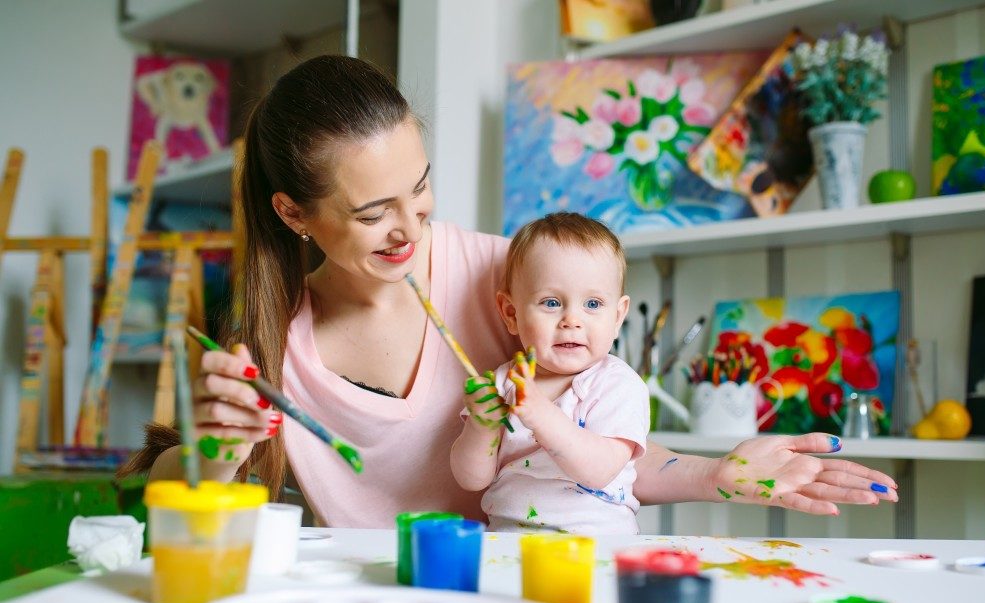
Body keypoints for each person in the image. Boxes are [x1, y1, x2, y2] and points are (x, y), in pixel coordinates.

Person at [121, 54, 898, 528]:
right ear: (294, 213)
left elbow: (596, 450)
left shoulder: (513, 283)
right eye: (371, 213)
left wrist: (719, 472)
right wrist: (216, 452)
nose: (408, 229)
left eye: (419, 190)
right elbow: (164, 496)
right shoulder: (270, 343)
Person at [452, 213, 649, 534]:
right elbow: (471, 480)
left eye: (594, 304)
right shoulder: (504, 381)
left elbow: (599, 470)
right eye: (552, 302)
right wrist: (480, 425)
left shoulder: (617, 385)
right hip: (507, 543)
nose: (572, 320)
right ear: (511, 313)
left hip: (595, 548)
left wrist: (540, 414)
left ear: (618, 315)